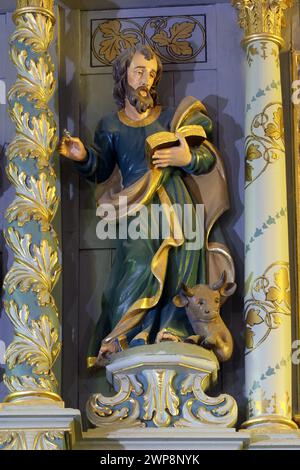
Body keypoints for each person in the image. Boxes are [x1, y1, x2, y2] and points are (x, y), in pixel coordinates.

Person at [58, 45, 231, 368]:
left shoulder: (170, 118)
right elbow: (102, 169)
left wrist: (186, 157)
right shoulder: (111, 125)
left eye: (151, 74)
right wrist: (82, 156)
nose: (145, 80)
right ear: (123, 75)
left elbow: (204, 157)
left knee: (181, 269)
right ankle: (126, 335)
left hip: (178, 202)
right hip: (134, 206)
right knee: (136, 264)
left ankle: (172, 331)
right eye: (138, 71)